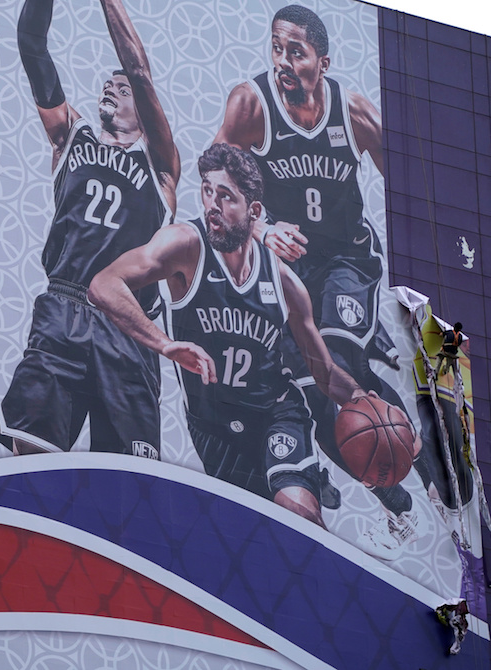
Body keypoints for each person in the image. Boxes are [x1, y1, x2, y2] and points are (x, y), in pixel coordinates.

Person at [213, 4, 446, 557]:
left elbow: (413, 188)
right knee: (325, 407)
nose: (283, 62)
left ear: (323, 60)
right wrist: (262, 227)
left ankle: (436, 476)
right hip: (290, 274)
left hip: (348, 260)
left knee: (342, 358)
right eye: (276, 48)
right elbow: (215, 176)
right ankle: (401, 508)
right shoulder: (252, 104)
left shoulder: (353, 111)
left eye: (296, 51)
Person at [89, 143, 381, 527]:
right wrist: (164, 344)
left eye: (225, 196)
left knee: (298, 515)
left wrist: (361, 397)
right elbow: (104, 283)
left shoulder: (284, 282)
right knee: (252, 538)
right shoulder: (184, 244)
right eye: (207, 190)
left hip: (275, 412)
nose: (212, 204)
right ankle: (309, 480)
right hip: (212, 425)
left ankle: (306, 485)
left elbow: (323, 372)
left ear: (254, 211)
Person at [0, 0, 181, 459]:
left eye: (121, 87)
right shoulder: (69, 136)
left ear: (145, 108)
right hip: (64, 309)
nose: (111, 87)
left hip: (129, 326)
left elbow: (137, 68)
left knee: (128, 489)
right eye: (107, 83)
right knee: (33, 464)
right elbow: (32, 45)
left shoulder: (161, 166)